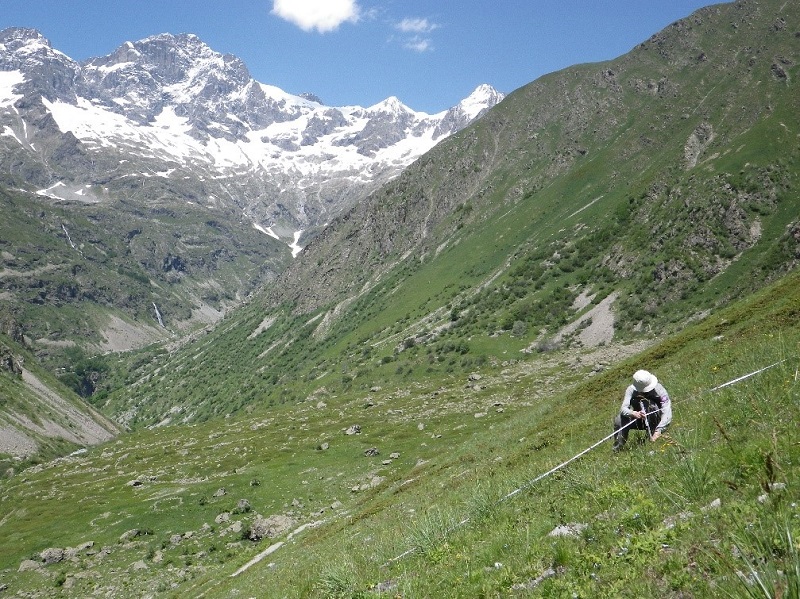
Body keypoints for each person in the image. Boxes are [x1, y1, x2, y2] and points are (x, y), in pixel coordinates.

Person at [612, 369, 672, 452]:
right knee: (619, 420)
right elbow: (623, 409)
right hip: (639, 419)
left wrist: (659, 430)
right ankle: (618, 449)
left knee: (650, 406)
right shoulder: (631, 390)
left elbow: (667, 410)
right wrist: (632, 413)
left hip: (656, 419)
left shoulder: (659, 389)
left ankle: (651, 439)